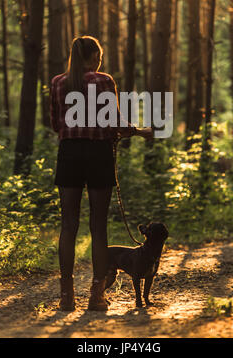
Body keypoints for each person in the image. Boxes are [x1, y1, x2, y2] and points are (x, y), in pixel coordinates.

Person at [50, 36, 153, 312]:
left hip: (69, 155)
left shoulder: (59, 82)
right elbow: (114, 122)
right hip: (98, 155)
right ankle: (96, 296)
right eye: (99, 56)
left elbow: (54, 123)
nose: (100, 60)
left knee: (68, 225)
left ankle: (66, 295)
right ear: (94, 56)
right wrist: (140, 131)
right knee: (98, 226)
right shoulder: (104, 80)